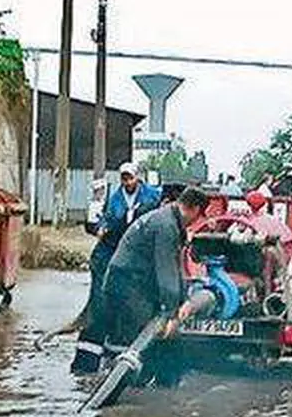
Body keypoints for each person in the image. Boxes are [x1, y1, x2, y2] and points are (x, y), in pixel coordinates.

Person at [92, 187, 212, 384]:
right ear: (195, 209)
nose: (195, 222)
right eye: (198, 217)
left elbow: (175, 269)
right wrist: (172, 314)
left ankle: (160, 384)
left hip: (136, 283)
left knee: (162, 336)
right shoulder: (166, 226)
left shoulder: (168, 219)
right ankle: (124, 385)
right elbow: (166, 272)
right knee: (139, 336)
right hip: (126, 284)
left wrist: (182, 303)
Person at [71, 162, 162, 374]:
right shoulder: (111, 197)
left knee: (130, 311)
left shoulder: (152, 197)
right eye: (124, 178)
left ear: (138, 177)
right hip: (109, 255)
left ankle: (120, 360)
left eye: (131, 177)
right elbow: (96, 220)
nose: (128, 182)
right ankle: (86, 367)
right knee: (101, 307)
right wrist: (100, 227)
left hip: (136, 260)